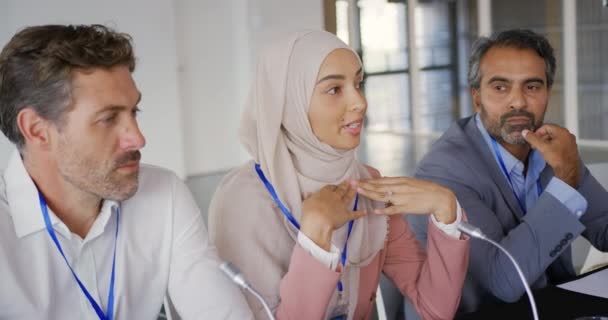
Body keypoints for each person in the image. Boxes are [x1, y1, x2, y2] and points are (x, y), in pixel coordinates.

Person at [208, 30, 469, 320]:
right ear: (288, 103)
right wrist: (315, 238)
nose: (360, 102)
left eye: (358, 83)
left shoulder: (366, 184)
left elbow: (436, 308)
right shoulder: (242, 200)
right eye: (334, 89)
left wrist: (447, 209)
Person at [0, 24, 253, 319]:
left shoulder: (163, 194)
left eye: (134, 112)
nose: (138, 138)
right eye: (108, 118)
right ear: (37, 131)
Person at [406, 29, 608, 314]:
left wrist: (566, 170)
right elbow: (504, 282)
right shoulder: (443, 170)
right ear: (477, 97)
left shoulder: (552, 149)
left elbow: (605, 227)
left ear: (548, 92)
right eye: (500, 87)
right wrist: (565, 178)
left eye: (532, 87)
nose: (518, 102)